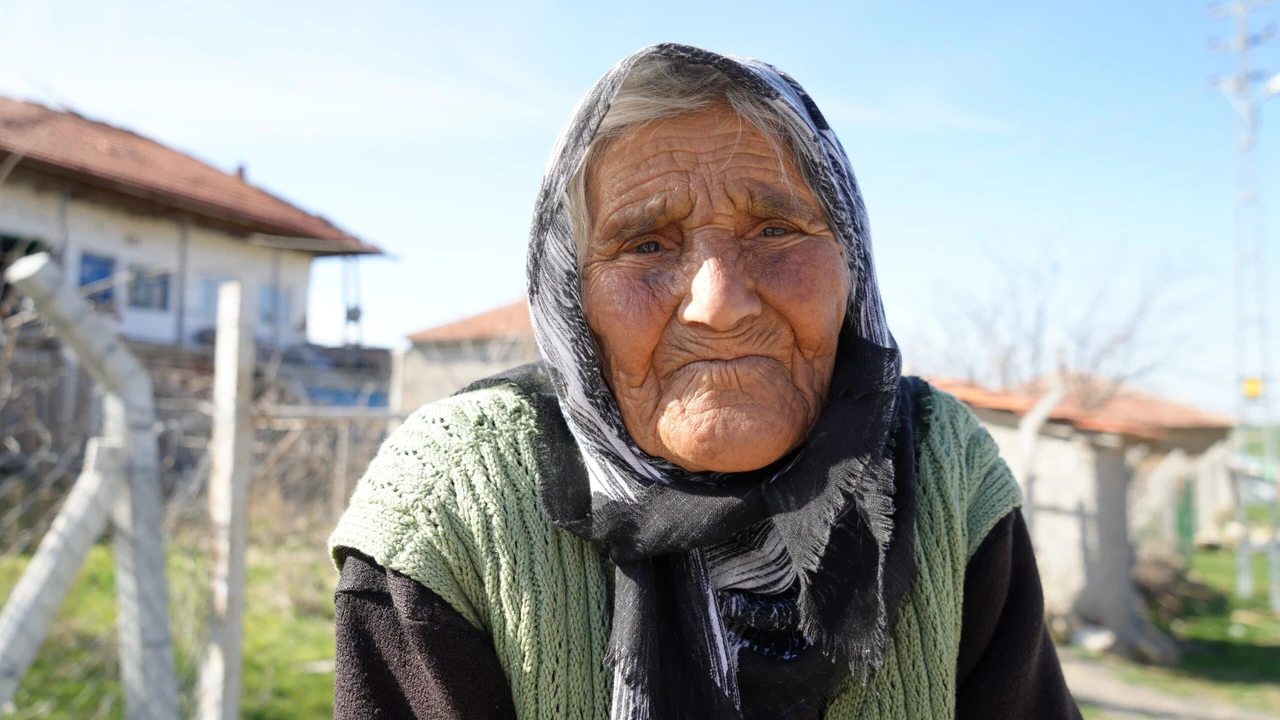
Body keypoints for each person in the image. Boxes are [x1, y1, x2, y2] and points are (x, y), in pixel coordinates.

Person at [330, 43, 1081, 720]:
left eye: (775, 230)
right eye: (646, 243)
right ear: (572, 299)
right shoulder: (451, 501)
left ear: (850, 266)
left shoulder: (943, 468)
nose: (718, 305)